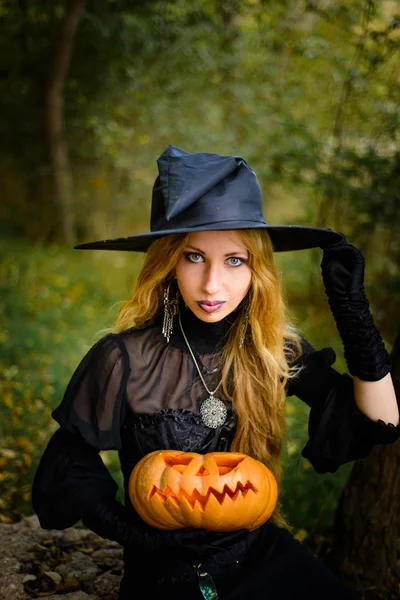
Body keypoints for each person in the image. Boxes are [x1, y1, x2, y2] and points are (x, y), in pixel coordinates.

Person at [32, 145, 399, 600]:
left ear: (256, 269)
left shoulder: (271, 351)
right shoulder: (122, 358)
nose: (212, 285)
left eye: (234, 260)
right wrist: (142, 536)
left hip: (264, 558)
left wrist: (353, 312)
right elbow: (68, 471)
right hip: (167, 578)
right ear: (168, 263)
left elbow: (381, 424)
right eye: (193, 257)